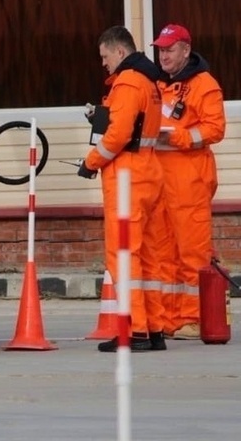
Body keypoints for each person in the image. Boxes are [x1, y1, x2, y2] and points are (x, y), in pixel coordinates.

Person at [77, 26, 166, 352]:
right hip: (148, 173)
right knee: (148, 256)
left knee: (124, 254)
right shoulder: (150, 83)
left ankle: (135, 329)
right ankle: (153, 328)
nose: (103, 64)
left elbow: (117, 136)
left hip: (127, 177)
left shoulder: (128, 83)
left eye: (104, 56)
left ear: (119, 51)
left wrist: (90, 162)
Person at [151, 24, 226, 340]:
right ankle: (169, 318)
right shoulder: (159, 84)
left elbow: (215, 129)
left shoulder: (204, 85)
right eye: (161, 49)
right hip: (162, 183)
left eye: (169, 49)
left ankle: (194, 317)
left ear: (185, 49)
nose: (163, 55)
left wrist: (179, 137)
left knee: (192, 253)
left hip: (191, 182)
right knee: (165, 253)